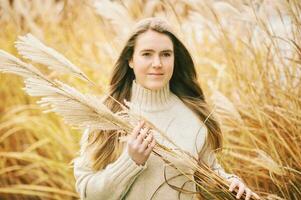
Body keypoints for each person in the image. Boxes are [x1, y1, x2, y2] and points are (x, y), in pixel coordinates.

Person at [73, 17, 260, 200]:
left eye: (165, 54)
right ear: (130, 60)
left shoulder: (193, 115)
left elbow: (210, 176)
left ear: (174, 59)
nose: (157, 63)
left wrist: (231, 185)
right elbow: (87, 192)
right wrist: (130, 161)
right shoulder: (107, 114)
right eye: (147, 54)